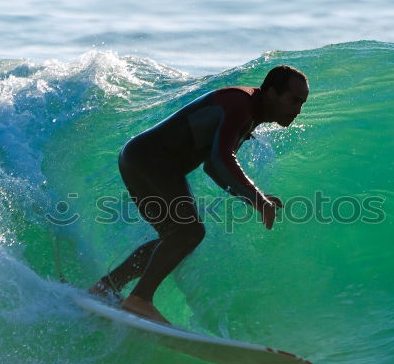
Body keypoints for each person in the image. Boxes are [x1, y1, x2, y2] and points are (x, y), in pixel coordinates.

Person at [89, 65, 310, 324]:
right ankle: (140, 299)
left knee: (175, 237)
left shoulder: (249, 112)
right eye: (294, 100)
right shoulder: (241, 105)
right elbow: (220, 158)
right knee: (189, 232)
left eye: (302, 103)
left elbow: (213, 167)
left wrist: (253, 198)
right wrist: (258, 199)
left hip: (139, 157)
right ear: (271, 93)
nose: (298, 110)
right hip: (152, 159)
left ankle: (106, 288)